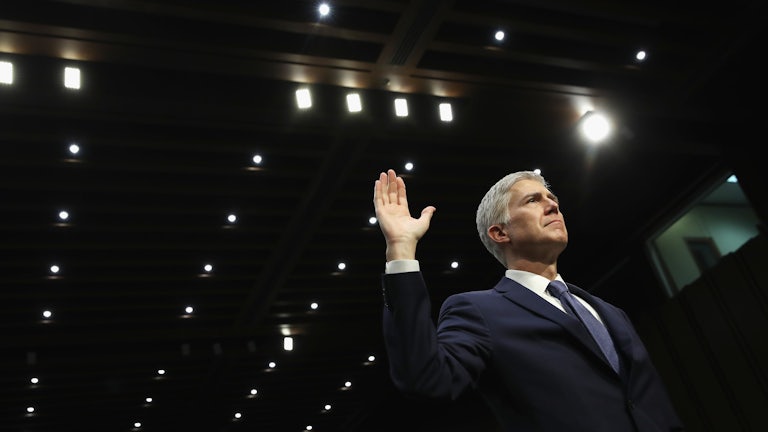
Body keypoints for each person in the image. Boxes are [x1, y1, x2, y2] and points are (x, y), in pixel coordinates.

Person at [372, 168, 684, 432]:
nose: (553, 207)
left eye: (553, 200)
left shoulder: (611, 312)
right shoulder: (478, 311)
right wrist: (400, 247)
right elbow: (426, 380)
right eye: (533, 200)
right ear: (500, 233)